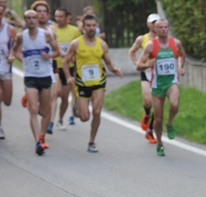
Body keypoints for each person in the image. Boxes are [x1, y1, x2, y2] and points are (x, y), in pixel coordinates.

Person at [63, 14, 122, 153]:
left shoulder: (101, 44)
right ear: (83, 27)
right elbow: (65, 61)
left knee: (97, 111)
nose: (91, 28)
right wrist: (68, 77)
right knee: (84, 117)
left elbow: (108, 62)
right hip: (82, 83)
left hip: (99, 82)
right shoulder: (76, 43)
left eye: (93, 26)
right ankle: (77, 106)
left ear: (96, 27)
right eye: (88, 26)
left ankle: (92, 141)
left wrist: (115, 70)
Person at [8, 9, 59, 155]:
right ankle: (38, 142)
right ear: (25, 20)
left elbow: (57, 52)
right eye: (28, 18)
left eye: (33, 18)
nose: (31, 20)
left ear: (37, 20)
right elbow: (14, 51)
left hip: (45, 76)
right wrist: (21, 59)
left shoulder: (46, 35)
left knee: (45, 111)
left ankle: (42, 136)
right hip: (30, 76)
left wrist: (48, 55)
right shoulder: (21, 36)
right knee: (33, 111)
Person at [136, 19, 185, 156]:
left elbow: (182, 56)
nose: (163, 29)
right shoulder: (150, 46)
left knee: (175, 105)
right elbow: (138, 65)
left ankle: (169, 124)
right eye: (160, 27)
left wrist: (180, 67)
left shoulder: (176, 43)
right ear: (156, 30)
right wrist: (147, 65)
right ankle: (159, 143)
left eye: (165, 27)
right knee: (158, 118)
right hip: (157, 85)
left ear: (168, 28)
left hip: (171, 81)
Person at [129, 13, 160, 144]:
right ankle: (146, 114)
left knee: (157, 105)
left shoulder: (164, 39)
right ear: (148, 25)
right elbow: (132, 51)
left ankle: (150, 131)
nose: (155, 25)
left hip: (159, 74)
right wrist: (137, 63)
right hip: (146, 72)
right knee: (148, 102)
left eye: (157, 22)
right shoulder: (142, 39)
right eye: (153, 23)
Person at [53, 7, 81, 129]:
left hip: (69, 67)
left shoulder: (74, 31)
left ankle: (60, 119)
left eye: (61, 16)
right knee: (56, 92)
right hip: (54, 66)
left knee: (65, 96)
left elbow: (79, 48)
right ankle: (50, 122)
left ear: (66, 18)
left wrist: (75, 57)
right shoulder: (51, 30)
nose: (58, 19)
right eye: (56, 16)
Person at [0, 5, 16, 139]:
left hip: (5, 68)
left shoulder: (9, 29)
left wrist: (11, 55)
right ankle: (0, 126)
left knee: (7, 100)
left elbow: (16, 46)